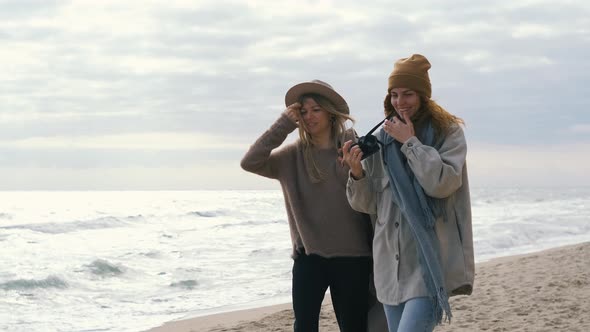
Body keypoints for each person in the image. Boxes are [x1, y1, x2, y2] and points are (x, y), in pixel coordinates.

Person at [341, 54, 475, 332]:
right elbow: (366, 205)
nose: (400, 102)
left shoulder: (447, 133)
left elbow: (442, 183)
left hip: (428, 261)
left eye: (408, 94)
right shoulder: (381, 139)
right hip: (389, 263)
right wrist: (357, 174)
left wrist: (410, 142)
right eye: (394, 95)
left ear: (424, 96)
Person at [241, 80, 382, 332]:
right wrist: (283, 124)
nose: (309, 117)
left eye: (316, 109)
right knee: (304, 327)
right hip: (310, 258)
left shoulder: (354, 149)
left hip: (354, 257)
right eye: (303, 112)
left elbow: (372, 199)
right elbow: (250, 162)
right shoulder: (291, 157)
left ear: (330, 113)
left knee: (354, 327)